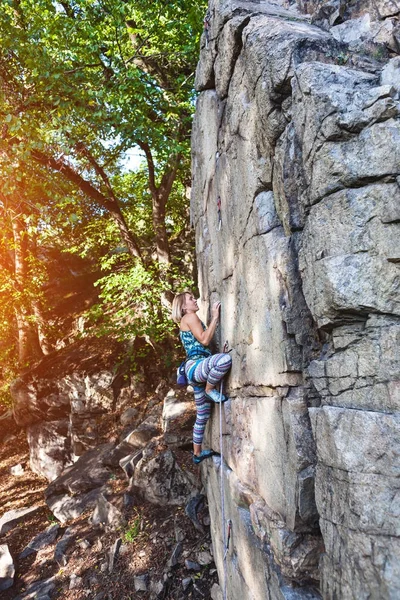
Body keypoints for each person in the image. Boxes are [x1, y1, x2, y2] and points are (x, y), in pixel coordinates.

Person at [172, 291, 232, 464]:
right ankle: (210, 389)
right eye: (191, 299)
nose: (195, 300)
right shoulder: (190, 317)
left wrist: (215, 356)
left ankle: (197, 454)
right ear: (184, 307)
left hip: (196, 370)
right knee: (225, 360)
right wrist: (215, 317)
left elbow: (202, 347)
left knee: (202, 415)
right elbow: (205, 340)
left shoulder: (187, 320)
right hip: (196, 368)